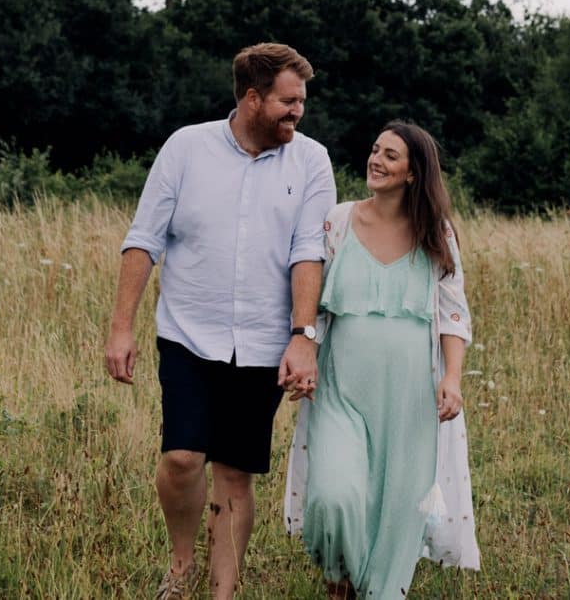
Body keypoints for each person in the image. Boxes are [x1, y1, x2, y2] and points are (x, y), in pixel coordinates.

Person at [105, 43, 336, 600]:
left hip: (263, 342)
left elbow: (309, 251)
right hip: (187, 332)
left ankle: (221, 594)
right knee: (182, 457)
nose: (297, 111)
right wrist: (121, 327)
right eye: (287, 100)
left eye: (301, 100)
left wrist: (302, 337)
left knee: (235, 474)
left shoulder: (311, 160)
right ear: (252, 98)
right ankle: (181, 565)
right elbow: (144, 239)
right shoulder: (186, 148)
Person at [284, 121, 480, 599]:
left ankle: (379, 590)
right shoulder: (339, 221)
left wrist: (452, 379)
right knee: (333, 495)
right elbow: (310, 295)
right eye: (375, 150)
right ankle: (338, 575)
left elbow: (453, 314)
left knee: (395, 506)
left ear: (414, 173)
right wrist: (302, 346)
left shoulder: (437, 234)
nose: (376, 160)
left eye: (391, 155)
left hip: (411, 396)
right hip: (342, 388)